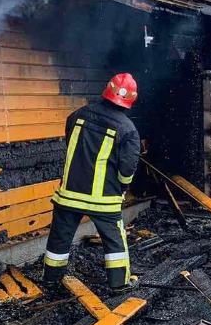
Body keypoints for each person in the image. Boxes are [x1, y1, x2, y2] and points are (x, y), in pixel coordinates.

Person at [41, 73, 141, 294]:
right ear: (130, 100)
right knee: (114, 242)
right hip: (103, 199)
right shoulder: (128, 130)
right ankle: (119, 284)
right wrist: (122, 188)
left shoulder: (77, 115)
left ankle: (50, 281)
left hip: (69, 193)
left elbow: (73, 148)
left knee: (59, 239)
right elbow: (127, 169)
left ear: (107, 90)